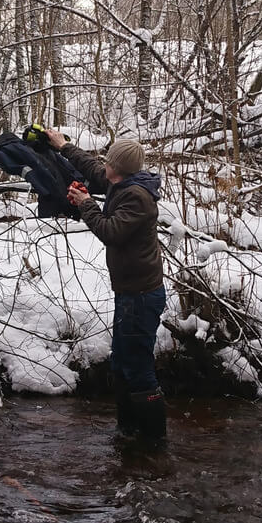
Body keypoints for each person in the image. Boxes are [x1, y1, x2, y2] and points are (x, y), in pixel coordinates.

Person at [47, 129, 166, 443]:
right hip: (130, 294)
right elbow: (92, 169)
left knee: (137, 368)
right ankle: (128, 434)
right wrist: (64, 146)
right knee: (122, 364)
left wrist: (86, 203)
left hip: (141, 297)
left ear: (119, 168)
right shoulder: (123, 181)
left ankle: (154, 442)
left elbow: (110, 231)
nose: (104, 166)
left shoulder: (137, 197)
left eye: (109, 162)